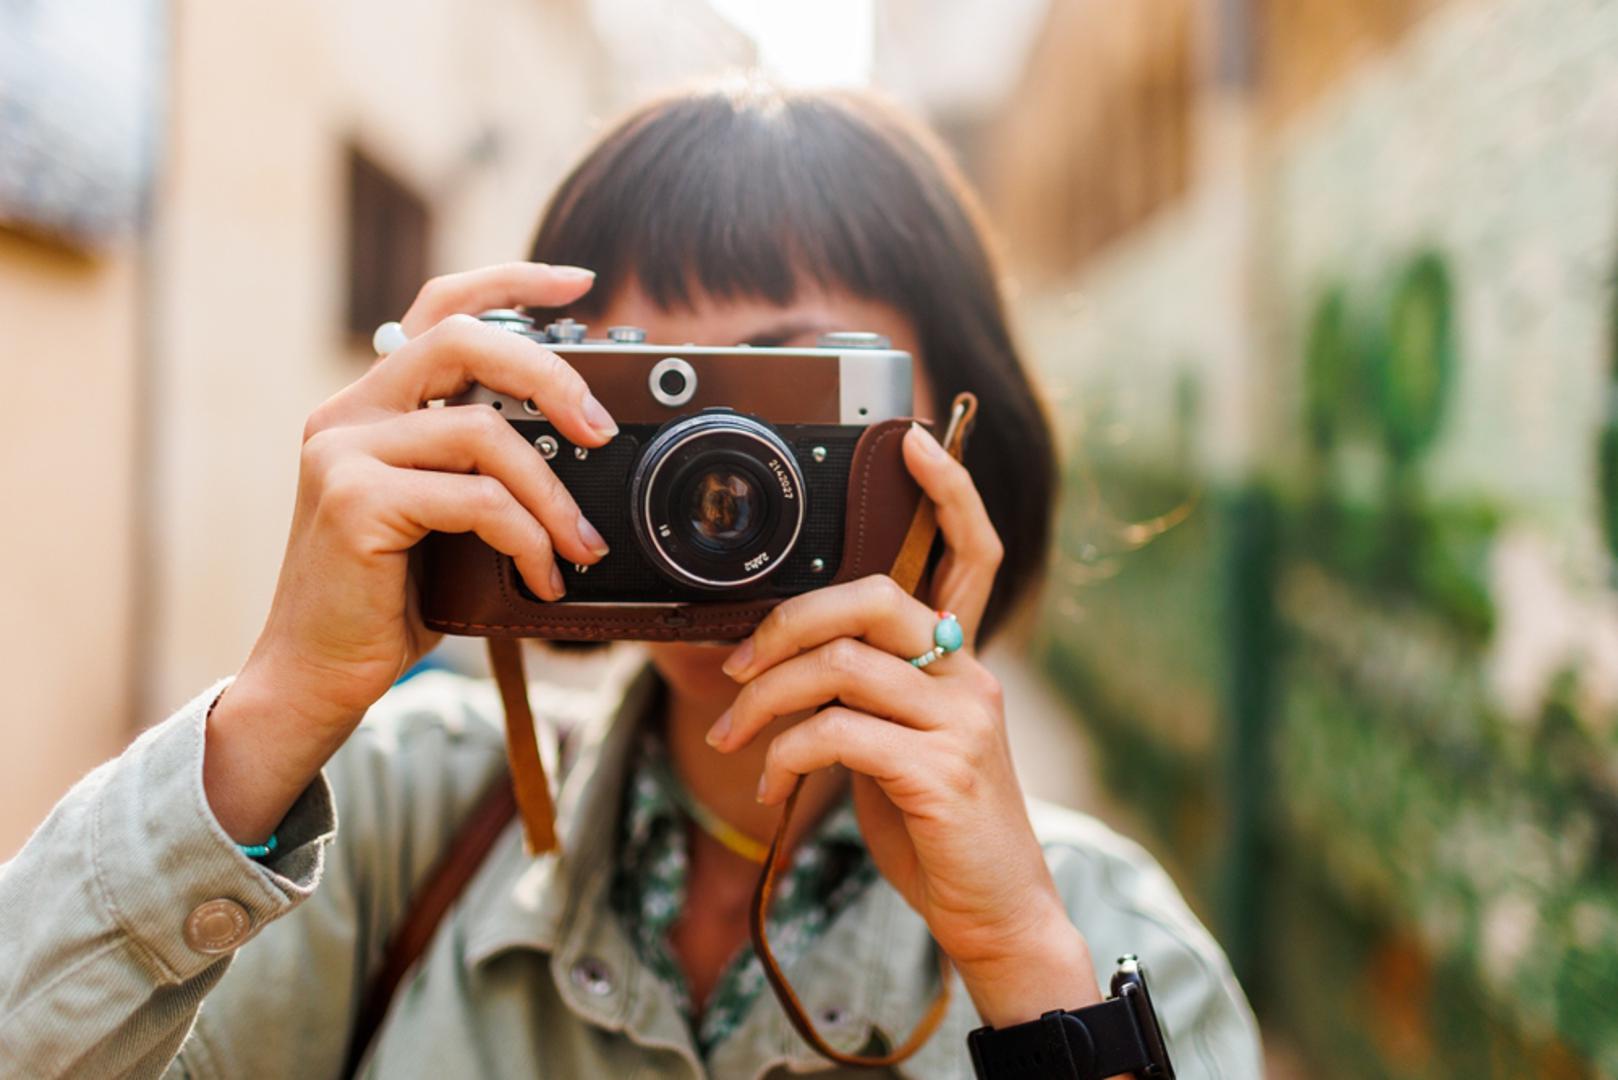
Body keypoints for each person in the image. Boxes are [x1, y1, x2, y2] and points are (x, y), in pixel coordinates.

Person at [0, 79, 1262, 1078]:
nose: (717, 483)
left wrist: (1021, 968)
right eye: (647, 394)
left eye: (790, 389)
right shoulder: (388, 822)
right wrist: (280, 703)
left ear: (961, 440)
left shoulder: (1110, 941)